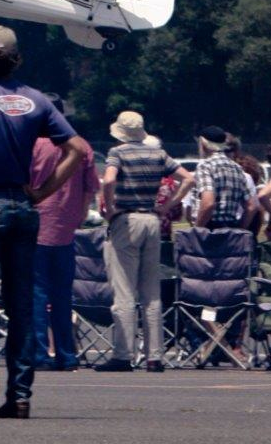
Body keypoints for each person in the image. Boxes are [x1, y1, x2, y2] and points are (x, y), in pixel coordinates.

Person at [0, 25, 87, 420]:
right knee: (22, 305)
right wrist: (43, 191)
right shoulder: (36, 99)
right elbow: (76, 149)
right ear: (17, 59)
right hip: (23, 208)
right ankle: (20, 396)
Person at [95, 111, 193, 374]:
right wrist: (169, 206)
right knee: (152, 292)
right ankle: (154, 356)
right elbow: (189, 178)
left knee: (124, 291)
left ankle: (123, 354)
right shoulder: (158, 154)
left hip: (126, 220)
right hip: (152, 220)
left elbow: (110, 179)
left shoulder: (118, 153)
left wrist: (110, 206)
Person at [29, 97, 99, 372]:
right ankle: (66, 353)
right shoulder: (81, 147)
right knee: (62, 295)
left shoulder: (31, 144)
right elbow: (88, 190)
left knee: (36, 294)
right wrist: (77, 218)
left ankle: (38, 353)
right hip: (66, 231)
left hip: (35, 225)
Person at [194, 126, 254, 230]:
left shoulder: (205, 166)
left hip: (209, 230)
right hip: (231, 230)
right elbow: (252, 206)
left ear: (203, 144)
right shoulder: (237, 168)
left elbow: (208, 203)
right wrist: (241, 228)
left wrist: (197, 229)